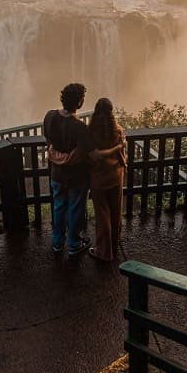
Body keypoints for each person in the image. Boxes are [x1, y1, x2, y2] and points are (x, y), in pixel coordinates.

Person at [43, 84, 119, 256]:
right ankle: (74, 244)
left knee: (59, 206)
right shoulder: (79, 127)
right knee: (75, 210)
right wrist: (118, 148)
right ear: (79, 103)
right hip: (76, 177)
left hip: (56, 174)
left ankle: (56, 243)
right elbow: (96, 155)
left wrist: (58, 156)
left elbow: (48, 141)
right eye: (82, 98)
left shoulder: (49, 116)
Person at [86, 97, 126, 262]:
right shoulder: (118, 131)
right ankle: (114, 246)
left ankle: (104, 252)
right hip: (116, 176)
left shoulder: (90, 133)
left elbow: (88, 157)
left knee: (103, 215)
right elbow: (122, 153)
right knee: (116, 211)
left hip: (98, 179)